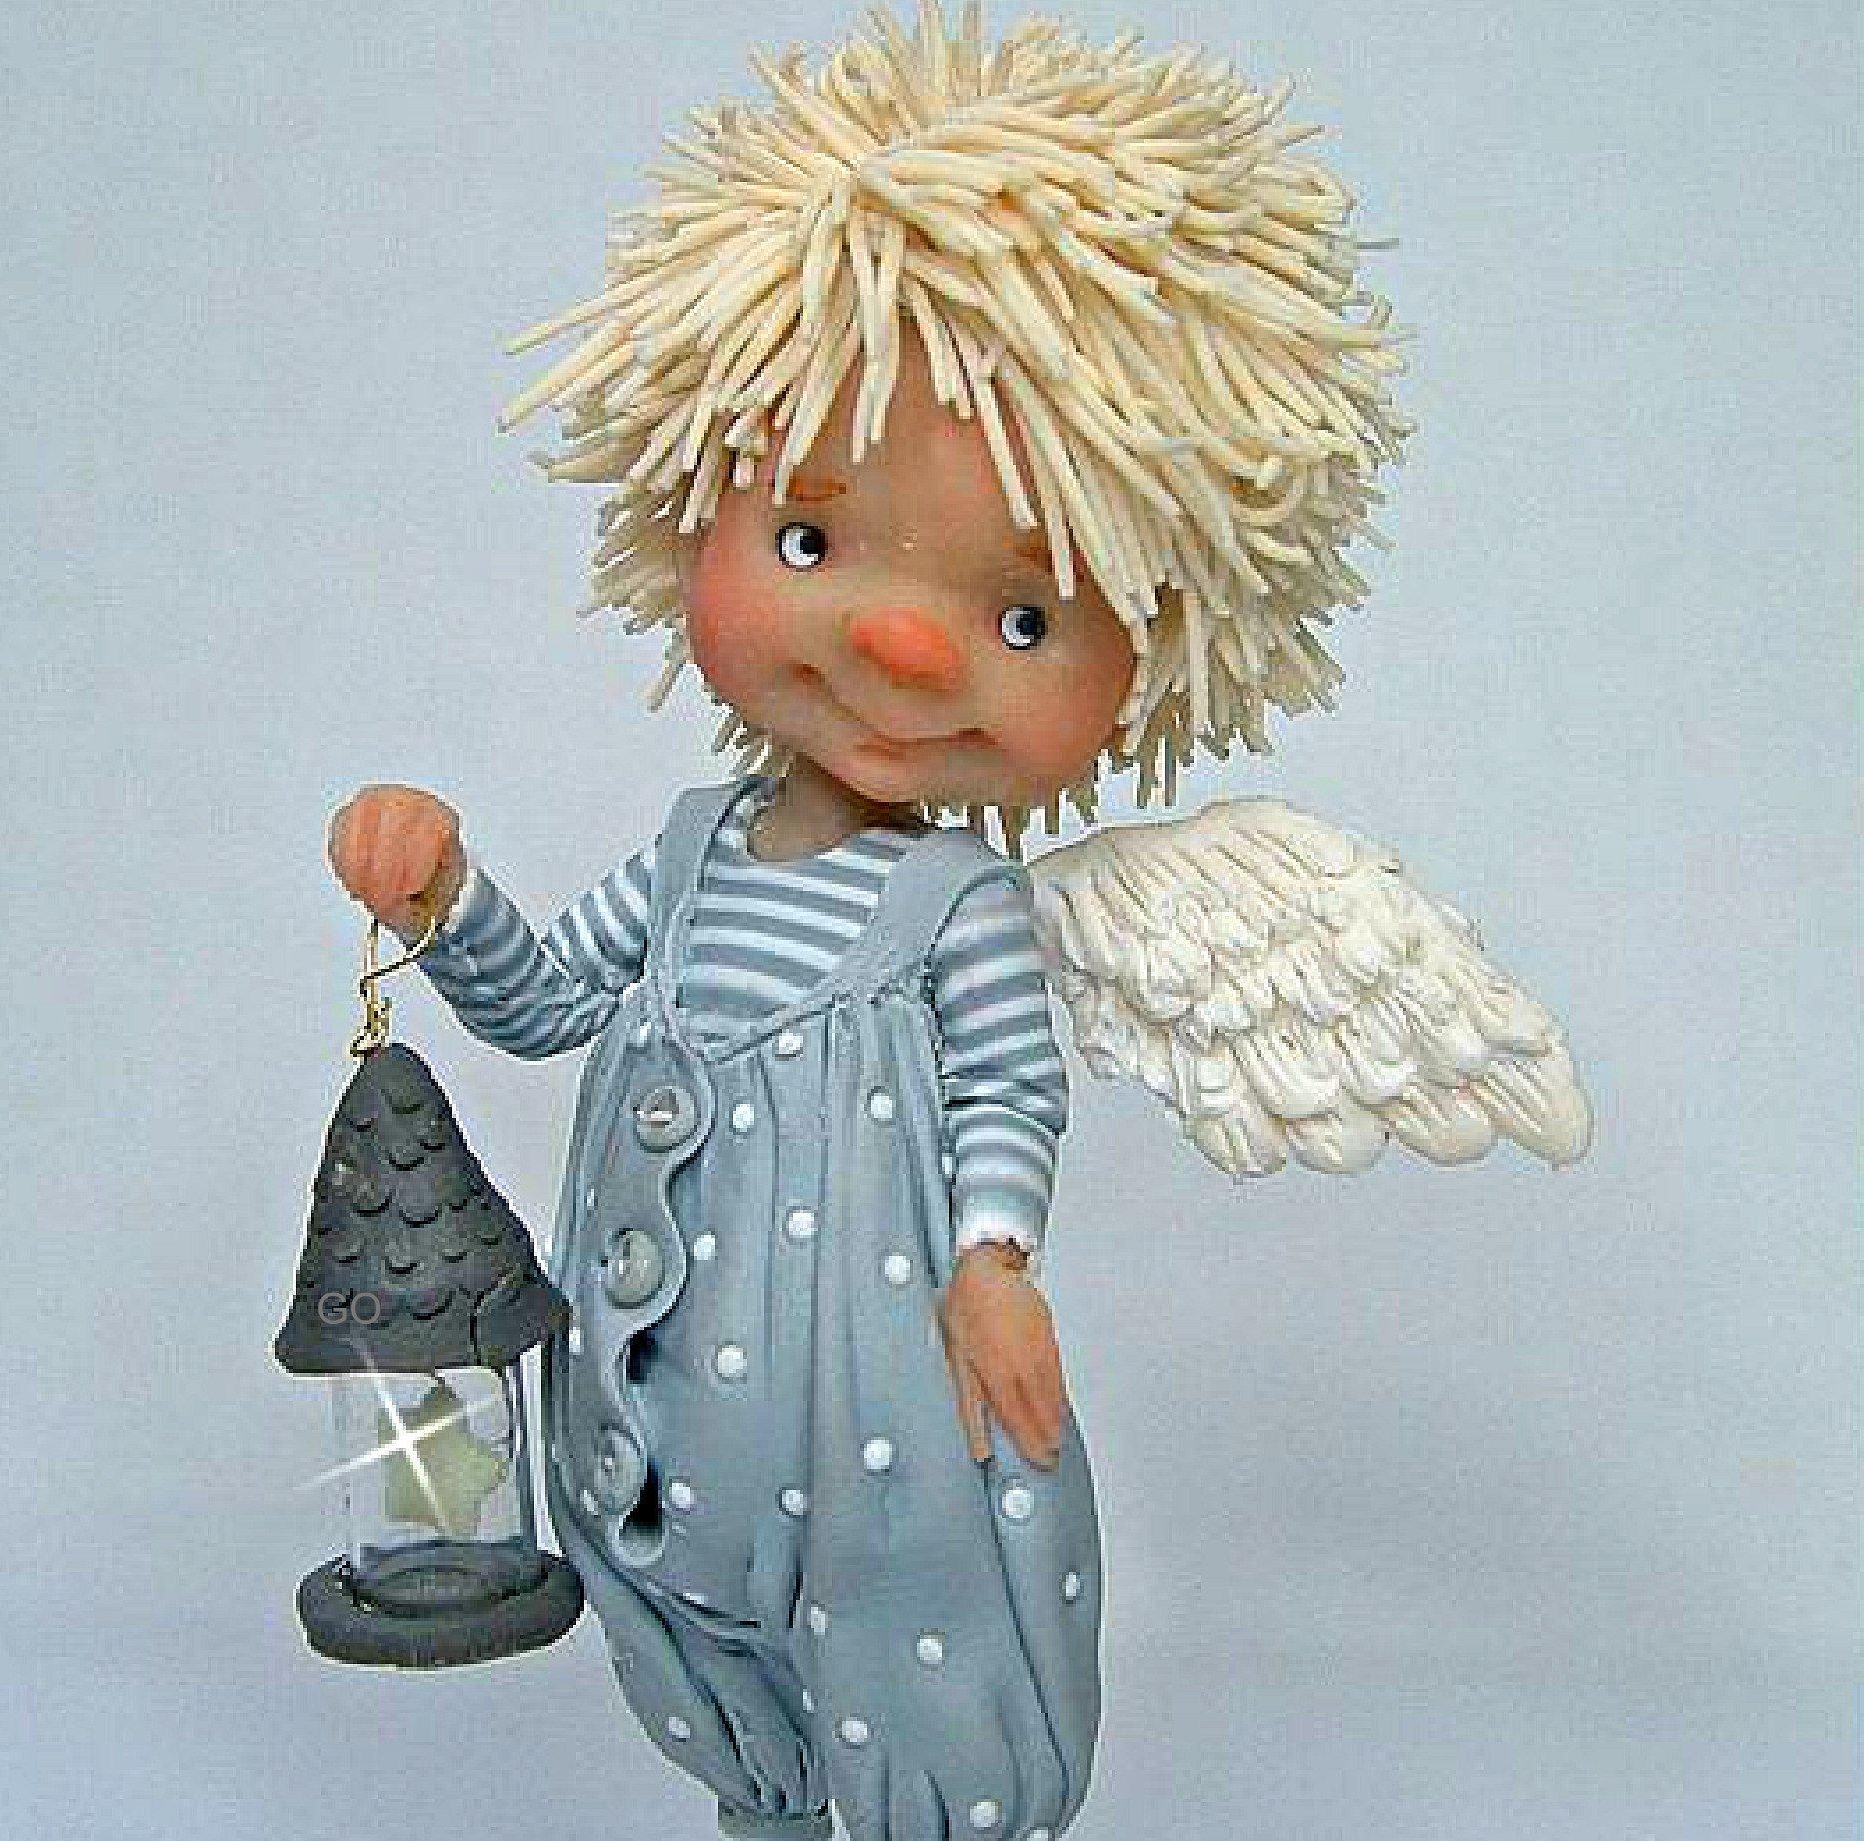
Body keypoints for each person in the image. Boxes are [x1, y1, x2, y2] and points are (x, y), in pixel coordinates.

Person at [329, 7, 1401, 1834]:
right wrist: (440, 893)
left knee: (905, 1628)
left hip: (874, 1417)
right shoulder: (689, 856)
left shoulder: (955, 903)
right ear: (692, 502)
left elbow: (1009, 1095)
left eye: (1022, 617)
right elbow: (548, 1002)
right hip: (661, 1411)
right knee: (705, 1655)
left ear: (1154, 650)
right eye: (813, 543)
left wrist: (992, 1264)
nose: (901, 646)